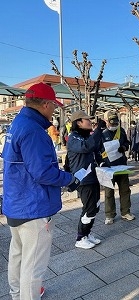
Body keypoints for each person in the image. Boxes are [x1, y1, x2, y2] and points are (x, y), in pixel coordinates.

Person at [1, 82, 79, 300]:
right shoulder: (34, 131)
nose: (54, 110)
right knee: (33, 265)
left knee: (18, 256)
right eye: (53, 106)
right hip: (33, 206)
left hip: (15, 203)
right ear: (44, 104)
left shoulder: (17, 124)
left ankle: (17, 295)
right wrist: (69, 179)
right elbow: (42, 172)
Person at [66, 110, 106, 249]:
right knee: (89, 208)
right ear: (78, 123)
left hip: (93, 177)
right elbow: (86, 147)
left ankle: (87, 234)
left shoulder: (85, 136)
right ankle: (80, 238)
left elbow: (95, 149)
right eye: (86, 120)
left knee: (95, 207)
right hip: (83, 179)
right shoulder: (73, 137)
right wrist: (98, 130)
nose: (90, 121)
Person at [101, 110, 134, 224]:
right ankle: (109, 215)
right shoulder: (101, 133)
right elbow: (96, 150)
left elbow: (127, 142)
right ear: (106, 121)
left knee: (125, 190)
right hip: (108, 167)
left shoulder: (122, 131)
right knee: (109, 192)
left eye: (116, 123)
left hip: (121, 165)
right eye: (112, 123)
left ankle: (126, 212)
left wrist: (124, 147)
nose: (114, 125)